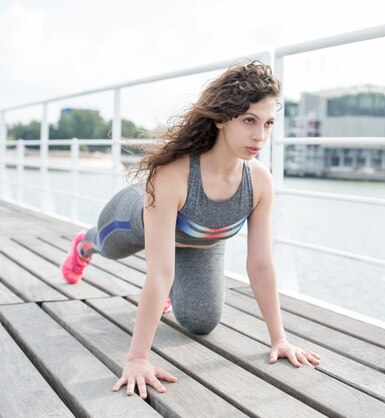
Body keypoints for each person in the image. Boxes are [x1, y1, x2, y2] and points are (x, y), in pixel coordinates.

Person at [60, 60, 321, 399]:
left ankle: (173, 292)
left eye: (268, 123)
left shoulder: (259, 182)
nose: (260, 135)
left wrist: (279, 339)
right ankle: (84, 244)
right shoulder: (174, 175)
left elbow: (260, 264)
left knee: (201, 323)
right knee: (107, 247)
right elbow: (158, 273)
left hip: (201, 244)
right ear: (221, 119)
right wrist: (138, 358)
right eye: (249, 121)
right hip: (137, 221)